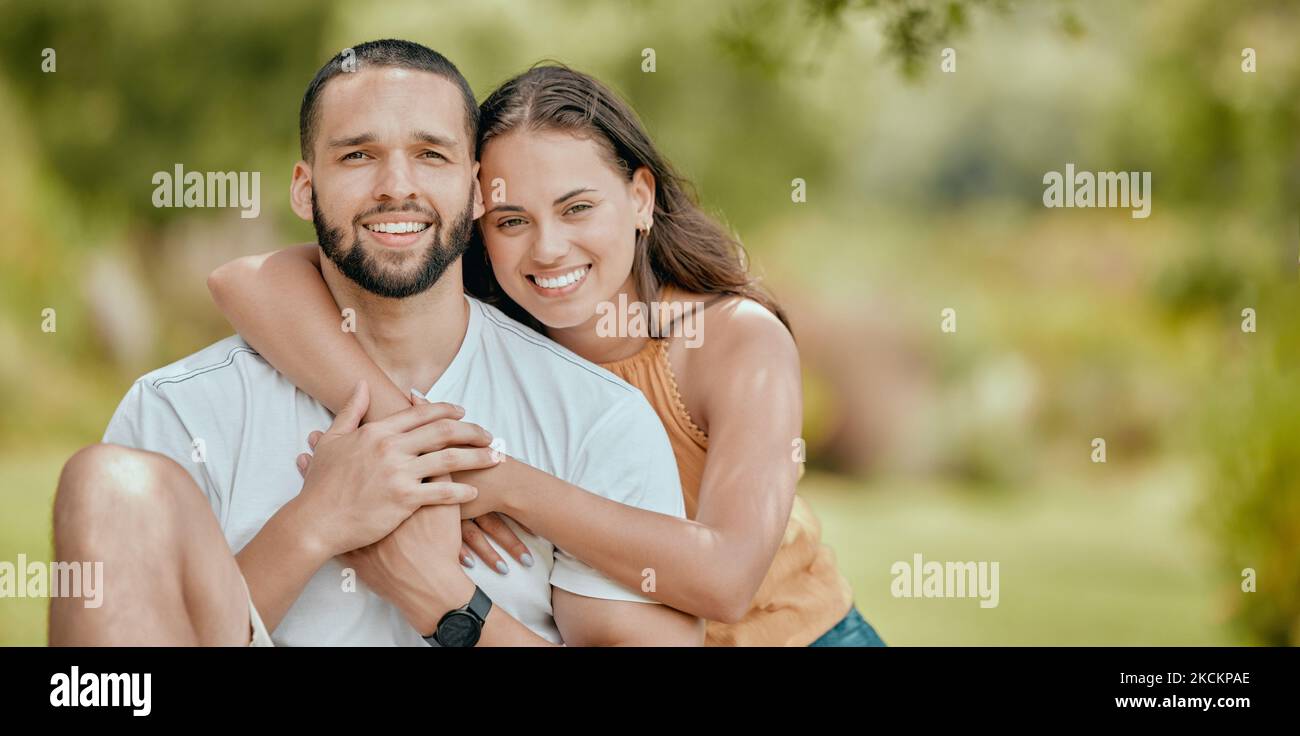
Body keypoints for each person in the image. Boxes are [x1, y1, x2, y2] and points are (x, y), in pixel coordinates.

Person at [49, 39, 702, 647]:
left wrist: (448, 603)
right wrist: (314, 525)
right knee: (102, 481)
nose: (397, 185)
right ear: (306, 187)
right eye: (358, 155)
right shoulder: (180, 411)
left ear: (478, 190)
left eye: (431, 155)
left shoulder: (594, 418)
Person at [209, 61, 884, 646]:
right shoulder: (493, 320)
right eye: (512, 220)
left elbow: (728, 579)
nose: (549, 248)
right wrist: (429, 445)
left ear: (640, 199)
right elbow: (244, 281)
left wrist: (503, 482)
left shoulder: (733, 338)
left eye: (578, 208)